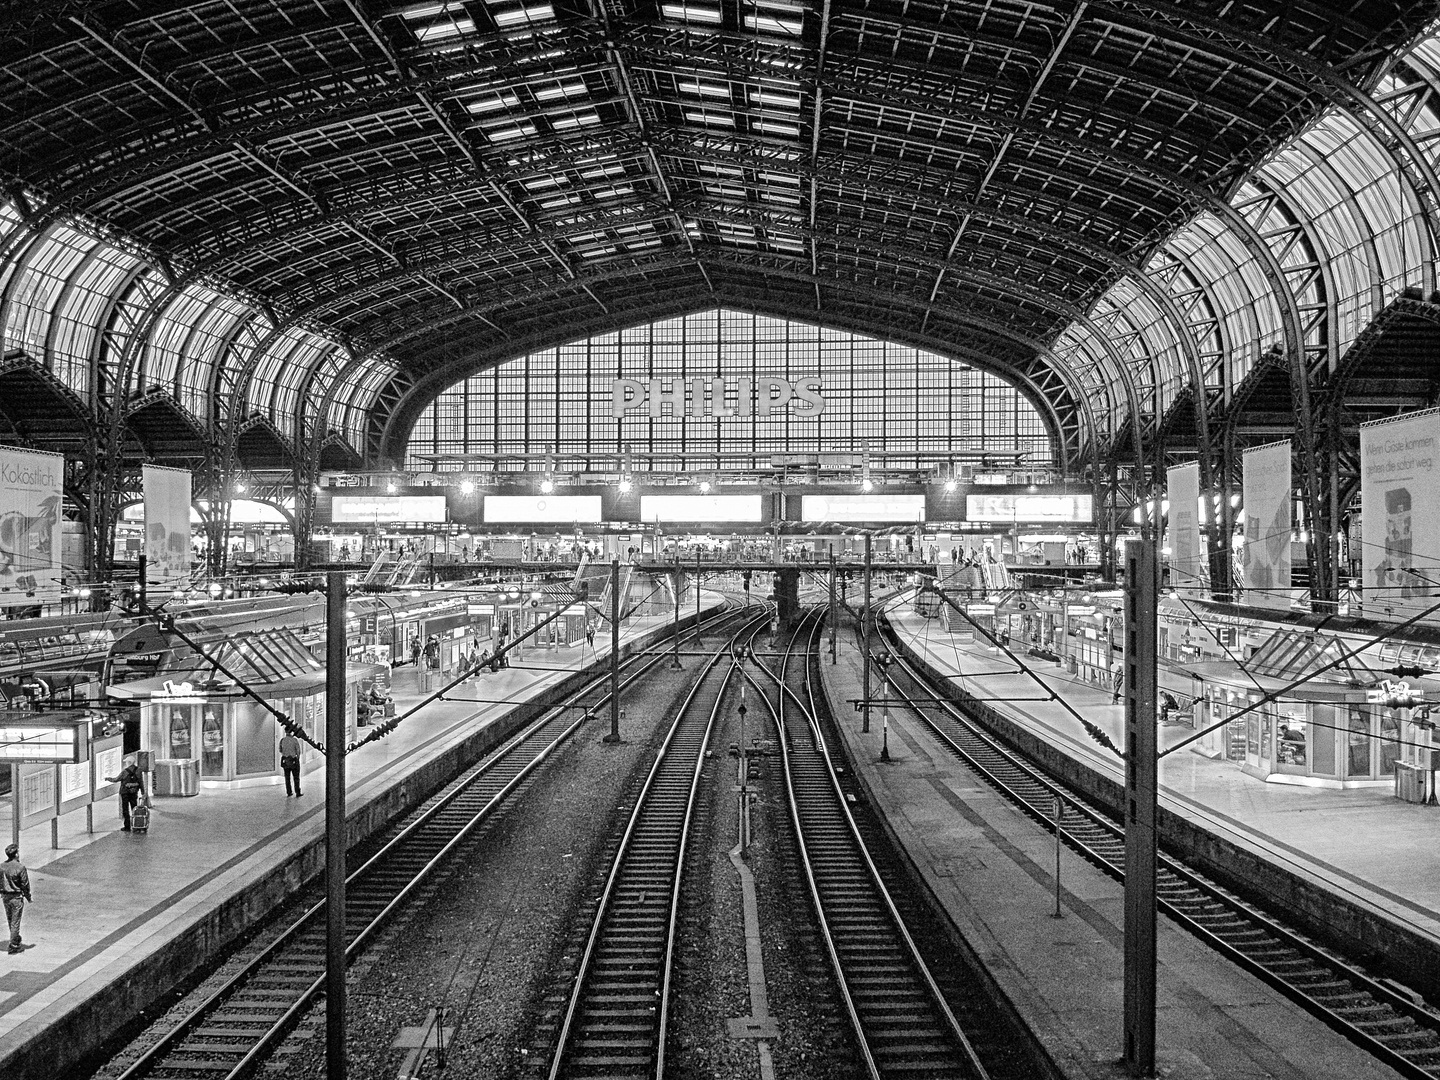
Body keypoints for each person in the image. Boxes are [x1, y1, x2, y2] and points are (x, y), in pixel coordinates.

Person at [1, 845, 31, 954]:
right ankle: (13, 945)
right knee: (15, 921)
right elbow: (25, 884)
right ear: (16, 854)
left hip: (5, 897)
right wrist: (28, 896)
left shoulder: (2, 866)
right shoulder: (20, 867)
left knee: (10, 919)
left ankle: (15, 939)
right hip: (16, 897)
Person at [105, 756, 143, 831]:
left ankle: (127, 826)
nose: (125, 763)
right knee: (134, 808)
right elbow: (141, 782)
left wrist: (108, 778)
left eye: (126, 762)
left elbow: (116, 779)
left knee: (125, 809)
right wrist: (143, 792)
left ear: (129, 762)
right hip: (134, 792)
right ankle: (137, 825)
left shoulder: (125, 772)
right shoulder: (138, 770)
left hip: (125, 793)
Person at [279, 730, 303, 796]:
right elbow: (298, 751)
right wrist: (297, 758)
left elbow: (280, 750)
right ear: (291, 732)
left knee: (287, 777)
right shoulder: (294, 740)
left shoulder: (282, 740)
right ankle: (297, 792)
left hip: (286, 761)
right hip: (293, 760)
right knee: (296, 777)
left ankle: (289, 792)